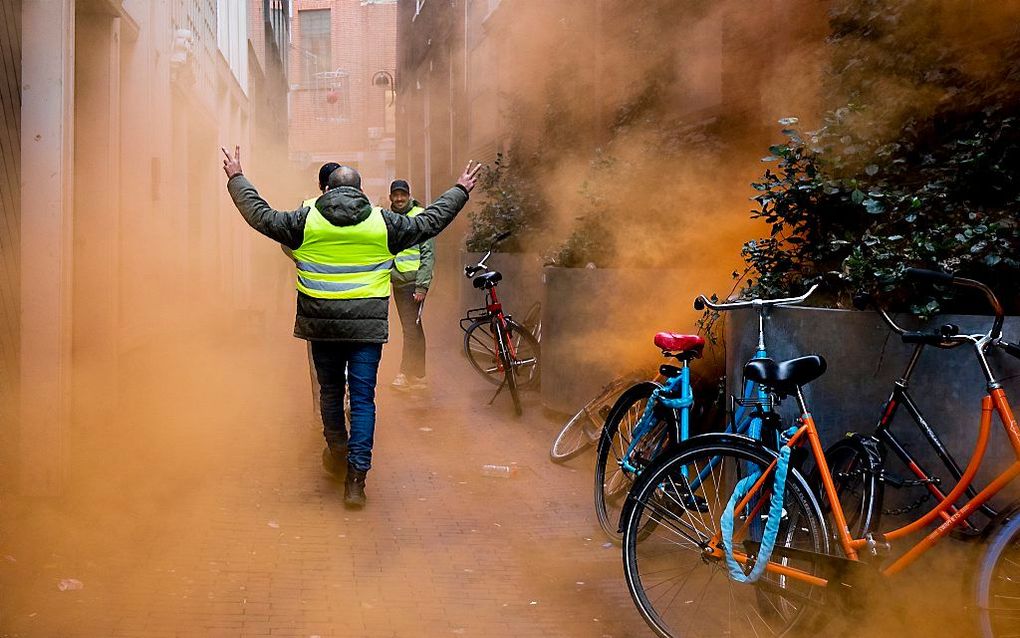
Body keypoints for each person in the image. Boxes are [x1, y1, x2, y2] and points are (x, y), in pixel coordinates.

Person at [222, 146, 483, 508]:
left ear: (327, 189)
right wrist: (460, 189)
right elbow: (429, 223)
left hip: (322, 327)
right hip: (366, 331)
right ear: (360, 191)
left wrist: (237, 177)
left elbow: (260, 215)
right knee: (362, 400)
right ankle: (356, 481)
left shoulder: (306, 219)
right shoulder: (382, 222)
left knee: (330, 394)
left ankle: (337, 451)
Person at [387, 179, 432, 391]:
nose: (399, 199)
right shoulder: (389, 218)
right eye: (395, 195)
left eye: (402, 194)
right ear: (390, 198)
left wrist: (422, 286)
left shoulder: (420, 215)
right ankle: (419, 376)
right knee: (414, 327)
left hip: (414, 283)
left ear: (408, 195)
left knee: (409, 328)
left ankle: (405, 374)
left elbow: (428, 253)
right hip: (398, 282)